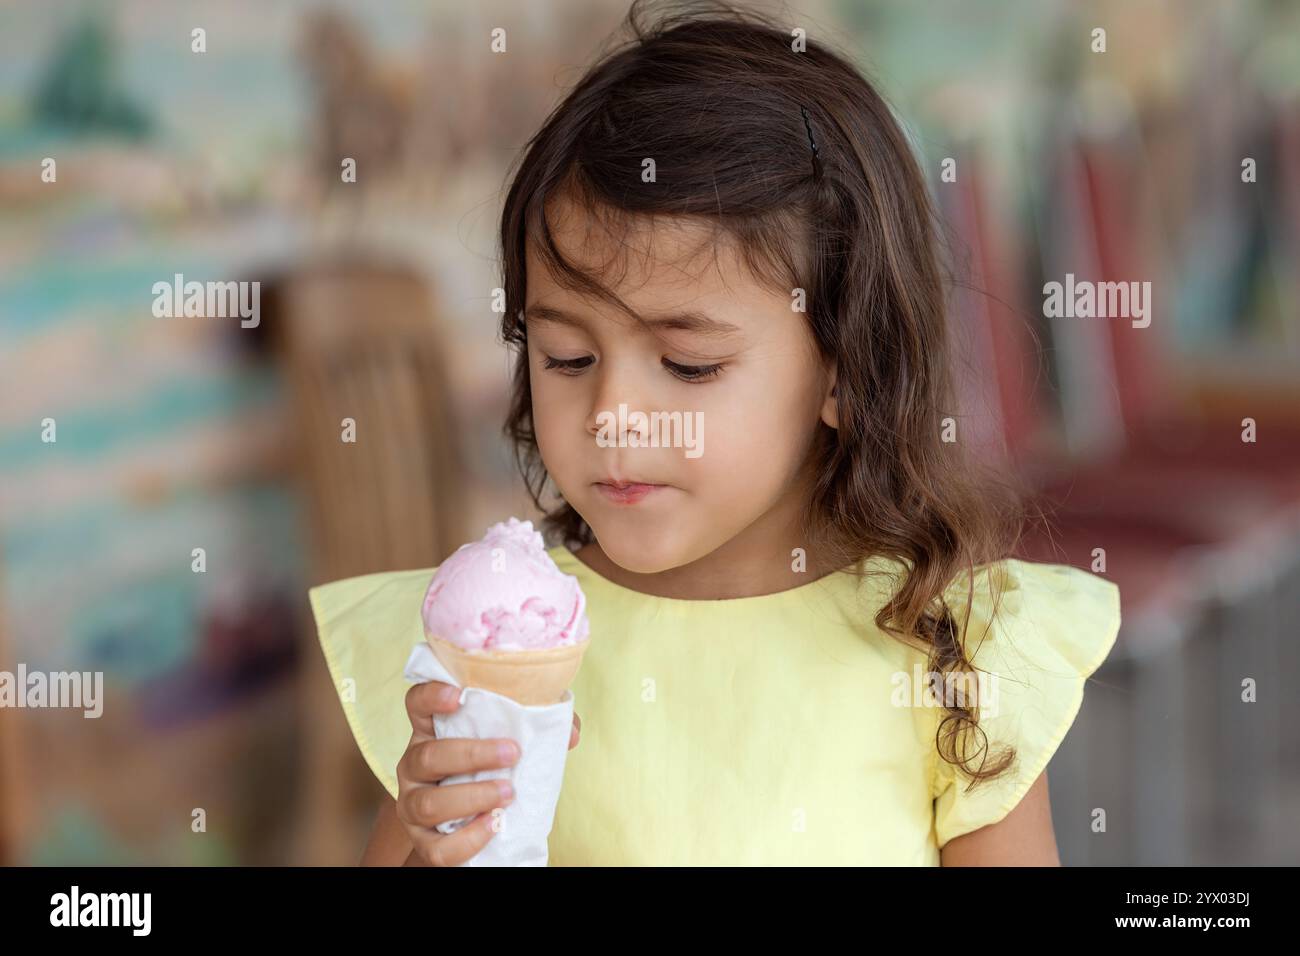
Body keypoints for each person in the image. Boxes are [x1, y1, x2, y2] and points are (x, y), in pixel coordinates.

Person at [311, 0, 1121, 866]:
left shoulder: (952, 648)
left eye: (689, 367)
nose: (613, 417)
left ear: (847, 368)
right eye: (567, 358)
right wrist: (434, 833)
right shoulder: (494, 648)